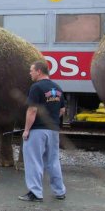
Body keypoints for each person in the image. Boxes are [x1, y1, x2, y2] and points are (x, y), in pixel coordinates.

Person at [19, 60, 66, 202]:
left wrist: (26, 130)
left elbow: (32, 110)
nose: (30, 73)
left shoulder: (36, 87)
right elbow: (62, 110)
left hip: (37, 131)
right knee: (53, 161)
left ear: (39, 71)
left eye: (31, 70)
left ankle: (35, 193)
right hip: (53, 130)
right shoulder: (57, 87)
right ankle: (60, 191)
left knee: (33, 161)